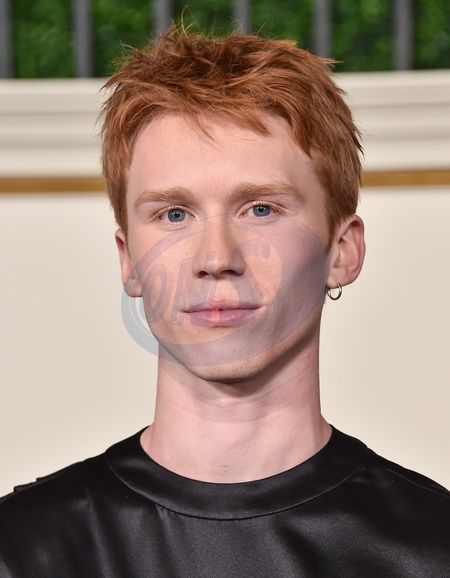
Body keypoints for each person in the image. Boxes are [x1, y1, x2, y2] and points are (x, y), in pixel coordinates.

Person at [0, 26, 448, 577]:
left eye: (260, 209)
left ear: (342, 251)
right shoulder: (21, 550)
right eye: (174, 214)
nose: (215, 257)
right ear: (128, 259)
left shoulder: (432, 549)